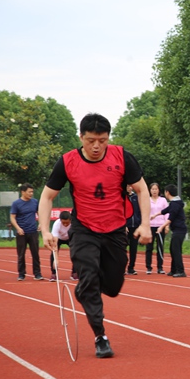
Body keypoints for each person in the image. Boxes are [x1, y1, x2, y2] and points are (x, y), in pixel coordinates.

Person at [38, 113, 151, 359]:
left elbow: (142, 189)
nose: (97, 146)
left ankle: (87, 290)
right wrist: (46, 230)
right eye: (91, 140)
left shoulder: (122, 156)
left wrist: (145, 224)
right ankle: (100, 336)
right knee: (88, 277)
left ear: (108, 137)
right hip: (84, 229)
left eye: (102, 140)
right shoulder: (68, 162)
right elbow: (47, 196)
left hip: (114, 230)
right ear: (81, 137)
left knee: (112, 287)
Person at [10, 183, 42, 281]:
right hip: (21, 233)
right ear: (23, 192)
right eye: (29, 192)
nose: (31, 194)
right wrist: (18, 228)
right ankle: (21, 274)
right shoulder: (16, 204)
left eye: (32, 192)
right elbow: (12, 217)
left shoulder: (35, 202)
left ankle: (37, 274)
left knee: (35, 254)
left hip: (33, 231)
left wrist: (40, 223)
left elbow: (39, 213)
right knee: (21, 254)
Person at [155, 184, 187, 277]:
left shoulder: (175, 204)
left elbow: (170, 218)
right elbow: (166, 210)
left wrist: (161, 227)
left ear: (167, 192)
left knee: (176, 250)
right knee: (173, 249)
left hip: (179, 230)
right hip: (177, 230)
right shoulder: (175, 203)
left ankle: (181, 271)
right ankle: (173, 270)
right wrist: (156, 214)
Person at [146, 183, 168, 274]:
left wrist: (166, 225)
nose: (154, 191)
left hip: (160, 226)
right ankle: (148, 267)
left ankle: (160, 267)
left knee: (160, 247)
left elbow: (167, 213)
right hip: (150, 226)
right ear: (150, 190)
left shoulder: (163, 200)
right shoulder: (147, 200)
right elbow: (144, 212)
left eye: (156, 189)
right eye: (152, 189)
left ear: (159, 190)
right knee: (149, 248)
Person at [49, 210, 77, 282]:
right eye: (63, 223)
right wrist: (56, 259)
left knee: (76, 253)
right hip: (59, 238)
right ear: (60, 220)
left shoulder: (74, 223)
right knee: (53, 255)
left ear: (70, 220)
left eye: (67, 223)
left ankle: (74, 273)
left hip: (69, 238)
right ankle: (54, 274)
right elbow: (55, 243)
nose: (65, 224)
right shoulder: (56, 224)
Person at [125, 185, 141, 275]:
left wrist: (140, 224)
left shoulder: (136, 198)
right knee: (123, 248)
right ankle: (121, 267)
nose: (129, 187)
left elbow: (140, 211)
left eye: (130, 186)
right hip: (125, 227)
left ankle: (131, 268)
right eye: (127, 186)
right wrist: (123, 224)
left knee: (134, 248)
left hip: (135, 226)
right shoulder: (122, 197)